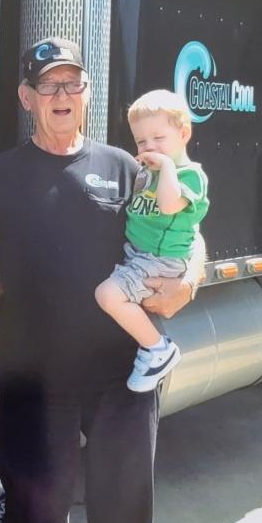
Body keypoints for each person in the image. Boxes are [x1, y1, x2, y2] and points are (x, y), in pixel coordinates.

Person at [0, 37, 203, 523]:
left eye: (73, 84)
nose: (62, 96)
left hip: (124, 373)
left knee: (123, 514)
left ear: (88, 94)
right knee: (35, 512)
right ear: (26, 97)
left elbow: (185, 230)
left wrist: (192, 277)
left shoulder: (125, 166)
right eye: (49, 86)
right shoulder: (0, 174)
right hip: (34, 372)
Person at [95, 90, 209, 392]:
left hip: (160, 260)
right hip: (139, 255)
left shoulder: (189, 176)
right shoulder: (150, 172)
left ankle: (158, 350)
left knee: (107, 295)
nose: (149, 147)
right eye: (141, 141)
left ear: (183, 133)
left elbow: (171, 206)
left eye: (158, 138)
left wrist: (167, 168)